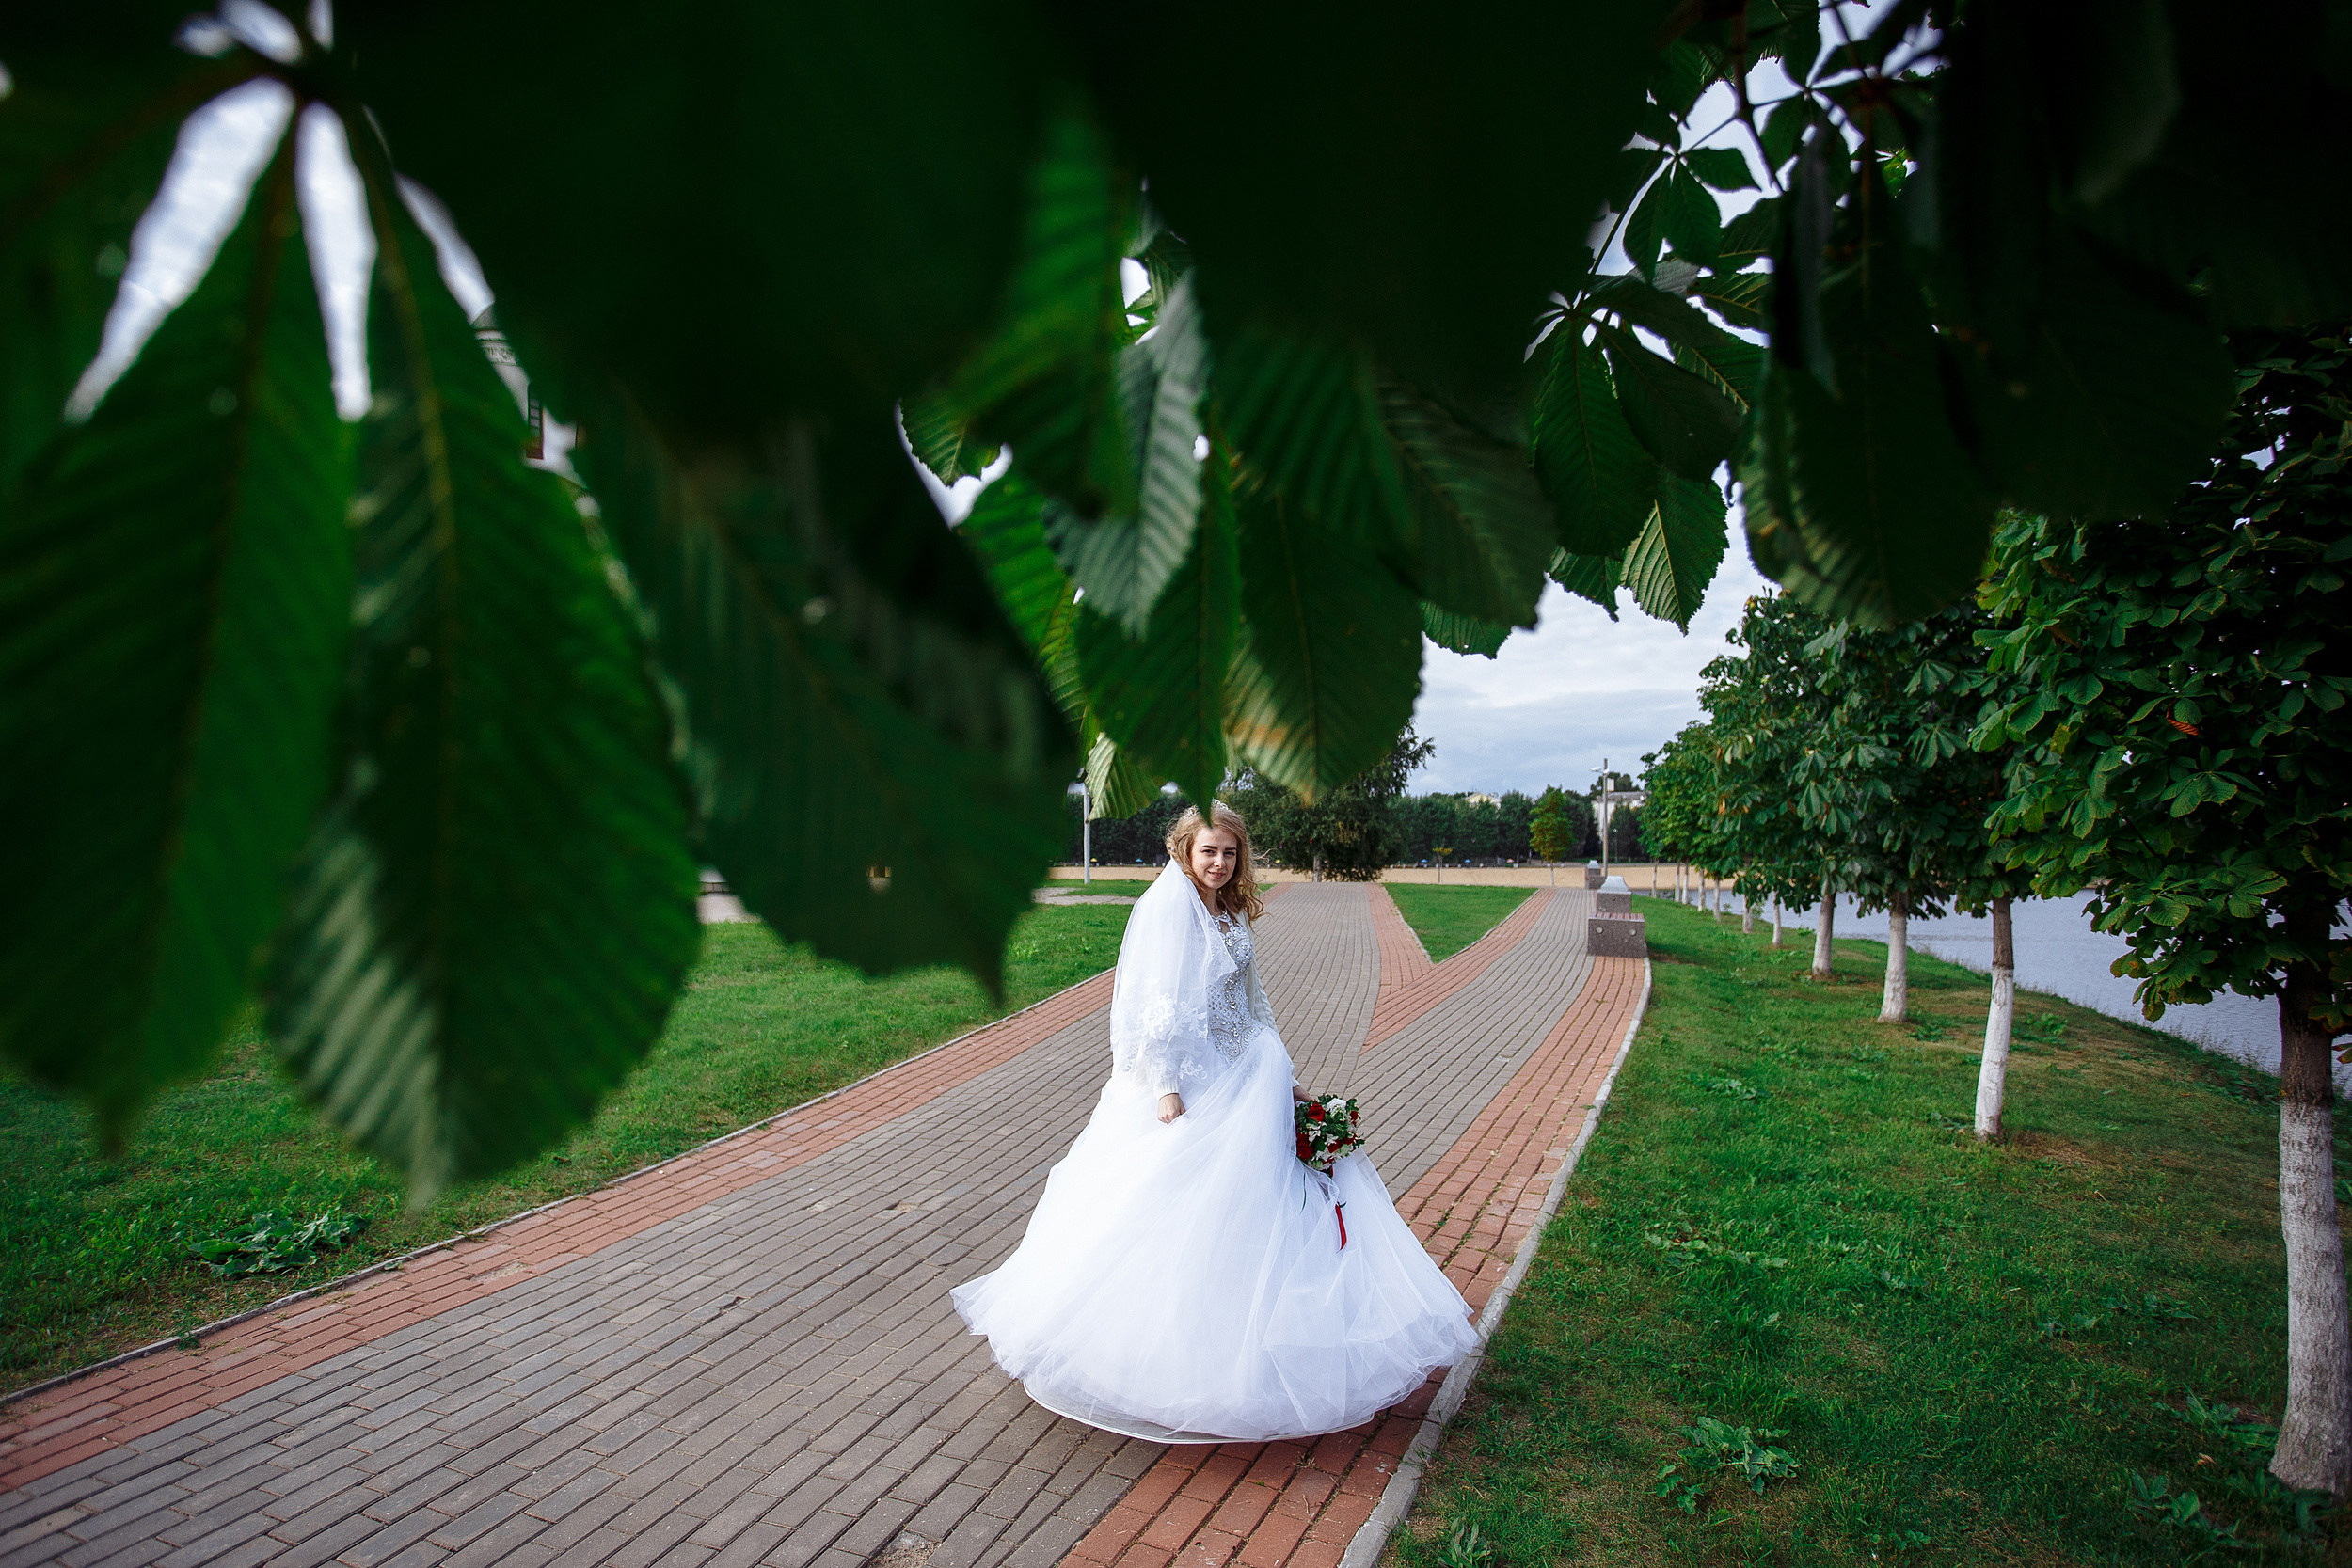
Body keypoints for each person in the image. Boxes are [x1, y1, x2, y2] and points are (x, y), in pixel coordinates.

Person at [950, 801, 1480, 1442]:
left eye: (1229, 852)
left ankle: (1261, 1347)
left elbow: (1253, 998)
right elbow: (1151, 1001)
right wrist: (1166, 1086)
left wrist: (1287, 1076)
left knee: (1263, 1206)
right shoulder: (1167, 907)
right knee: (1175, 1208)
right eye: (1209, 852)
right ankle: (1164, 1360)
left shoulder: (1228, 908)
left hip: (1250, 1073)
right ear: (1184, 850)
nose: (1220, 863)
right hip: (1193, 1082)